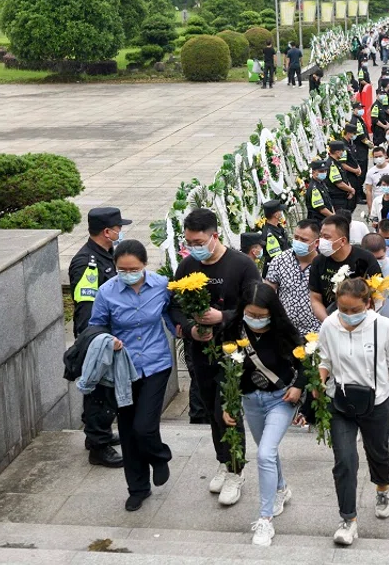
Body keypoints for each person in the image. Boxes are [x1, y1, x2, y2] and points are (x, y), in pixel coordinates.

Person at [169, 209, 263, 506]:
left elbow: (258, 306)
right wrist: (191, 329)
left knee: (228, 408)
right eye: (188, 242)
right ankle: (224, 461)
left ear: (214, 236)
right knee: (211, 408)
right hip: (200, 352)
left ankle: (237, 470)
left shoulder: (242, 265)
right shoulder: (187, 266)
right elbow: (174, 306)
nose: (193, 247)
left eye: (198, 241)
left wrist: (222, 316)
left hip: (235, 351)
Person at [318, 278, 389, 546]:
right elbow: (324, 359)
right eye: (342, 309)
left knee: (377, 452)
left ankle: (382, 489)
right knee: (344, 460)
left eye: (354, 309)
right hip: (341, 402)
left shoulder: (382, 327)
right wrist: (320, 379)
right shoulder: (329, 325)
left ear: (368, 304)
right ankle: (348, 519)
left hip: (376, 402)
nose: (348, 315)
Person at [89, 240, 175, 511]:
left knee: (144, 426)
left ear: (145, 266)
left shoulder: (161, 285)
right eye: (121, 269)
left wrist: (186, 329)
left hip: (156, 363)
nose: (127, 274)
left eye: (133, 269)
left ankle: (159, 456)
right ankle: (138, 488)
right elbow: (96, 326)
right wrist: (107, 340)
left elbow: (173, 313)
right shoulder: (106, 292)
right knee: (127, 429)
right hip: (123, 368)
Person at [222, 282, 305, 546]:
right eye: (251, 314)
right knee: (266, 452)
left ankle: (265, 520)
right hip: (249, 399)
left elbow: (306, 364)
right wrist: (228, 403)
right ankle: (281, 488)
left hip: (279, 399)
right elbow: (225, 369)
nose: (255, 320)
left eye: (261, 315)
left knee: (264, 454)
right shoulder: (234, 330)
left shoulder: (284, 332)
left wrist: (298, 387)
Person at [68, 207, 130, 468]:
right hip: (99, 338)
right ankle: (98, 446)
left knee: (106, 392)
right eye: (118, 227)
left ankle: (97, 434)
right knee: (99, 393)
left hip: (110, 334)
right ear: (107, 231)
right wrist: (96, 340)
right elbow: (86, 307)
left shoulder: (107, 255)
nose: (120, 231)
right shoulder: (87, 263)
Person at [308, 214, 382, 322]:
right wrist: (330, 322)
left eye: (327, 237)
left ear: (342, 241)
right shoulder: (318, 261)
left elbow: (378, 295)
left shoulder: (365, 259)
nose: (322, 241)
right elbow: (315, 298)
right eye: (321, 236)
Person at [265, 219, 320, 338]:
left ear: (316, 243)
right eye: (296, 237)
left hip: (316, 332)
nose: (298, 242)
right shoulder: (280, 260)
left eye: (304, 240)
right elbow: (268, 292)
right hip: (286, 331)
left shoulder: (323, 264)